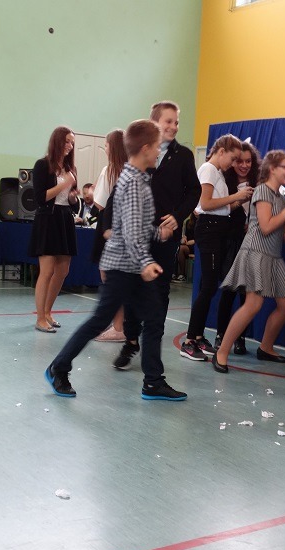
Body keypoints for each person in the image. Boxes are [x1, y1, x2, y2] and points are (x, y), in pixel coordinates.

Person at [45, 119, 185, 401]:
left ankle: (153, 381)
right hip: (123, 266)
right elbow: (131, 232)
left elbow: (134, 226)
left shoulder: (140, 179)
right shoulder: (133, 182)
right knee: (100, 320)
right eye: (157, 146)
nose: (159, 151)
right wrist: (146, 262)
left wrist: (158, 233)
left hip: (132, 264)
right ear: (145, 148)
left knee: (154, 318)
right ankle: (59, 367)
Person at [113, 101, 202, 370]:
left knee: (159, 292)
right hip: (137, 234)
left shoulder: (183, 155)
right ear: (155, 123)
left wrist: (178, 215)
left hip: (166, 235)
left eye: (177, 122)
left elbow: (194, 191)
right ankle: (131, 340)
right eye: (168, 121)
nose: (174, 126)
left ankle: (152, 348)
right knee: (132, 287)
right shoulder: (140, 152)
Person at [212, 150, 285, 373]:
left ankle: (266, 347)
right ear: (272, 169)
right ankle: (222, 352)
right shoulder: (262, 190)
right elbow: (266, 226)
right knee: (253, 304)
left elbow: (284, 236)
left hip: (273, 256)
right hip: (256, 252)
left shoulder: (280, 198)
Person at [181, 133, 251, 361]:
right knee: (208, 287)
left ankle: (198, 336)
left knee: (209, 286)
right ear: (221, 152)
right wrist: (235, 196)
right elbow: (206, 203)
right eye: (232, 158)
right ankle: (189, 341)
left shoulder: (218, 172)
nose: (233, 163)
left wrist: (239, 201)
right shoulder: (209, 170)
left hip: (217, 229)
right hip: (209, 230)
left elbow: (222, 208)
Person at [27, 126, 78, 333]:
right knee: (47, 271)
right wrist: (64, 184)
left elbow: (72, 202)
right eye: (67, 141)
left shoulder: (70, 168)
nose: (70, 146)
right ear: (57, 141)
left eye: (72, 142)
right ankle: (40, 318)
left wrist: (73, 197)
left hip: (64, 219)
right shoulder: (42, 165)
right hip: (48, 219)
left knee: (63, 271)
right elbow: (41, 198)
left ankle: (48, 312)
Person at [216, 141, 261, 355]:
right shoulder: (224, 182)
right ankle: (221, 335)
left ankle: (240, 338)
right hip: (230, 243)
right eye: (239, 161)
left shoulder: (258, 183)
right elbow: (216, 209)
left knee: (247, 294)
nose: (244, 165)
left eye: (248, 161)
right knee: (229, 292)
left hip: (251, 244)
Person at [91, 129, 128, 343]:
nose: (104, 148)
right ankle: (118, 322)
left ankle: (118, 326)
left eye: (105, 145)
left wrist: (95, 190)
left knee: (109, 277)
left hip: (109, 225)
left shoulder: (110, 170)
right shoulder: (131, 170)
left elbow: (100, 203)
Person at [174, 212, 196, 282]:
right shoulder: (188, 222)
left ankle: (182, 274)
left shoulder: (202, 222)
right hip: (188, 244)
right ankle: (174, 273)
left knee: (181, 248)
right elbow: (185, 234)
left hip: (197, 244)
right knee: (177, 247)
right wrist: (184, 238)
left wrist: (194, 241)